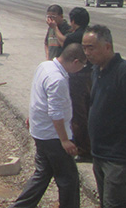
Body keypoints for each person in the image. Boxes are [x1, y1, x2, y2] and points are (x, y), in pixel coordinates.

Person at [83, 25, 126, 207]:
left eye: (91, 48)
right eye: (84, 48)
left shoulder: (125, 72)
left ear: (107, 46)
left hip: (119, 156)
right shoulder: (97, 70)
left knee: (115, 204)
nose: (87, 53)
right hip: (99, 153)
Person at [11, 44, 87, 208]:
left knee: (42, 174)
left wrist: (33, 117)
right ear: (75, 62)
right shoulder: (57, 80)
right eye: (82, 65)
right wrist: (64, 140)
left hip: (41, 131)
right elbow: (56, 113)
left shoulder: (45, 66)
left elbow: (38, 95)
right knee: (68, 179)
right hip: (53, 137)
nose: (81, 69)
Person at [61, 7, 92, 160]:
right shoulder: (91, 35)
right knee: (91, 111)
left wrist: (55, 29)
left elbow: (65, 49)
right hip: (93, 76)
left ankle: (83, 150)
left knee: (78, 115)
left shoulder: (73, 37)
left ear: (73, 21)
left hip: (77, 77)